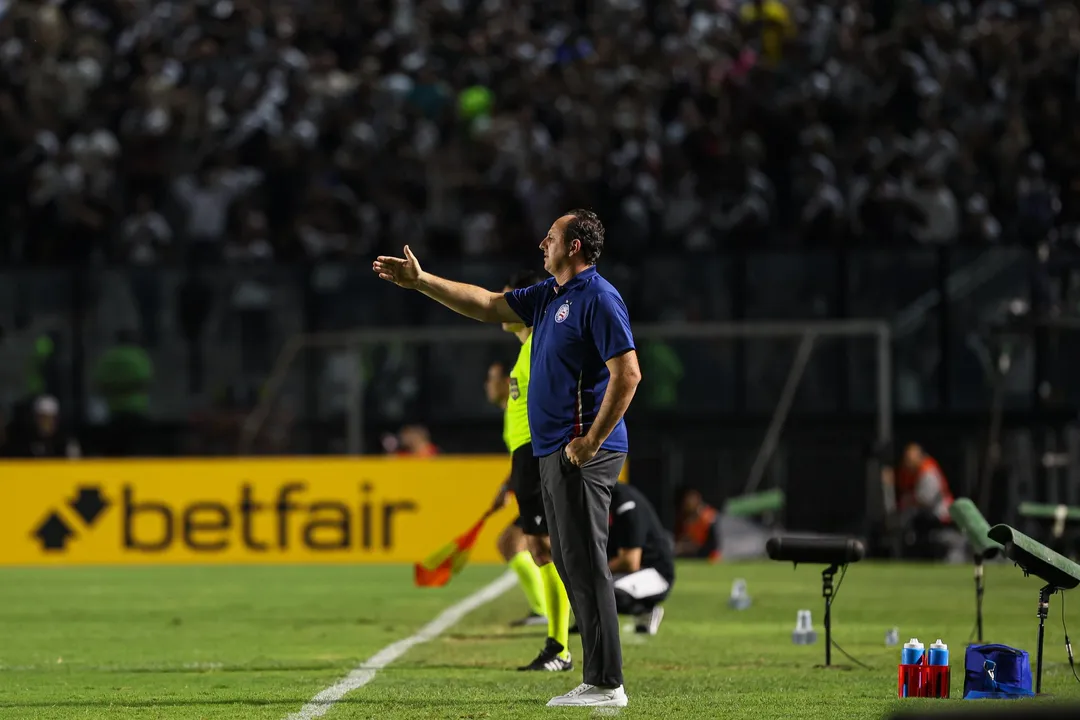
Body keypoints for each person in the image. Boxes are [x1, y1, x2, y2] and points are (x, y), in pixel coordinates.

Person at [374, 209, 641, 708]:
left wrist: (590, 441)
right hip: (553, 452)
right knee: (568, 561)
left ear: (576, 247)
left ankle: (608, 684)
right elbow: (488, 304)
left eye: (553, 236)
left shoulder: (599, 298)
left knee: (584, 563)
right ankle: (597, 677)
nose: (543, 242)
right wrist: (422, 281)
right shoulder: (550, 296)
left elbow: (628, 375)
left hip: (583, 451)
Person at [484, 271, 575, 662]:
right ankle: (559, 641)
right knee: (539, 548)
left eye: (511, 300)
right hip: (527, 457)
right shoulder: (526, 350)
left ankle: (560, 644)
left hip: (539, 452)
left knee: (546, 548)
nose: (505, 306)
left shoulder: (541, 342)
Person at [571, 482, 675, 636]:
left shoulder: (626, 503)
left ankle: (645, 610)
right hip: (624, 571)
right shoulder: (594, 500)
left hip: (654, 573)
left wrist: (589, 571)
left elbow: (630, 561)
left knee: (604, 590)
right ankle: (585, 622)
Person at [894, 443, 955, 559]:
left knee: (914, 521)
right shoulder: (911, 471)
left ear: (919, 457)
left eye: (910, 458)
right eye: (906, 458)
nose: (907, 462)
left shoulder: (928, 470)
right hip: (925, 512)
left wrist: (908, 500)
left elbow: (926, 500)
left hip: (940, 513)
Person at [675, 488, 722, 562]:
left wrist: (683, 548)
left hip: (709, 555)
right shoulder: (689, 520)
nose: (689, 504)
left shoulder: (707, 516)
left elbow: (700, 543)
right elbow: (690, 539)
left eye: (691, 501)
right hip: (697, 552)